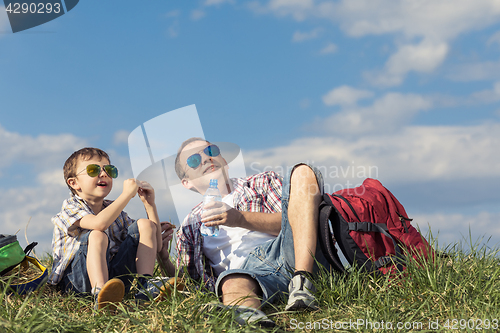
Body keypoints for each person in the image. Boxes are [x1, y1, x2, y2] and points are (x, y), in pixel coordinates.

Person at [158, 138, 332, 327]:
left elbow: (297, 220)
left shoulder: (261, 182)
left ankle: (303, 283)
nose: (206, 159)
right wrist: (164, 258)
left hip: (289, 252)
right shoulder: (190, 225)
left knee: (302, 171)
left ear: (224, 161)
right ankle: (253, 324)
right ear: (187, 182)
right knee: (231, 283)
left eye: (211, 150)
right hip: (246, 275)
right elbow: (189, 283)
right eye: (193, 160)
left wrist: (239, 218)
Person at [48, 147, 164, 310]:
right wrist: (125, 195)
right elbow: (99, 224)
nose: (104, 174)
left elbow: (156, 246)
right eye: (93, 170)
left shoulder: (114, 211)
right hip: (76, 283)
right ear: (74, 183)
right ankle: (100, 295)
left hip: (113, 281)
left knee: (145, 224)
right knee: (97, 235)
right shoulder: (70, 208)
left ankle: (145, 287)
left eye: (109, 170)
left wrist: (149, 204)